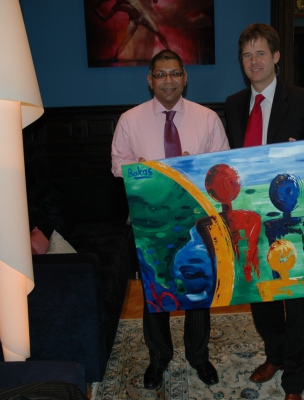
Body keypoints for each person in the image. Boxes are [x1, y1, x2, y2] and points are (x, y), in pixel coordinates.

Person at [111, 49, 230, 390]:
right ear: (150, 80)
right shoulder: (130, 120)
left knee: (198, 287)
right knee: (155, 291)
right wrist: (142, 170)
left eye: (175, 73)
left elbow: (221, 165)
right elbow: (117, 163)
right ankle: (158, 357)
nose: (168, 80)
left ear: (185, 78)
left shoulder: (207, 118)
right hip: (148, 220)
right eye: (161, 74)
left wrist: (196, 167)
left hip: (195, 221)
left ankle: (199, 356)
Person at [224, 23, 304, 400]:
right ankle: (275, 355)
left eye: (260, 53)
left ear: (276, 56)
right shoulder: (234, 104)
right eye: (247, 55)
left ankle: (294, 380)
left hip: (291, 213)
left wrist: (301, 153)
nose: (254, 61)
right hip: (251, 216)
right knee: (260, 295)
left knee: (298, 300)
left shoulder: (302, 99)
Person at [94, 0, 169, 61]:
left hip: (143, 16)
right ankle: (115, 57)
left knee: (158, 32)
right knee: (125, 40)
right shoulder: (117, 6)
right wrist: (95, 9)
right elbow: (104, 19)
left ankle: (169, 51)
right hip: (133, 20)